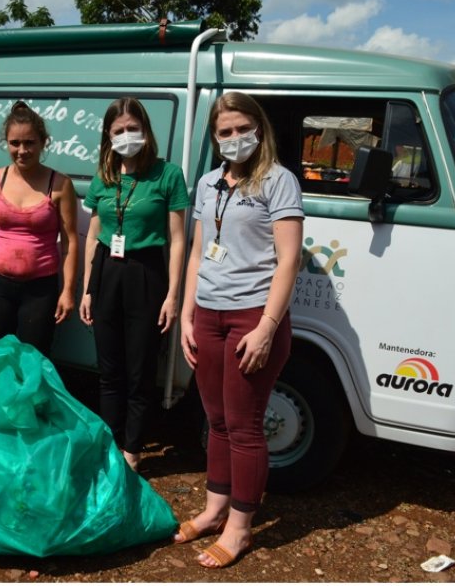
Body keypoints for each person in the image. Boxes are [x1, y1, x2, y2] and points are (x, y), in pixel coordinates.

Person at [176, 92, 303, 568]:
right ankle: (214, 509)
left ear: (259, 128)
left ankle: (241, 527)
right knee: (217, 421)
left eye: (241, 129)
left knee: (246, 426)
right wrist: (188, 316)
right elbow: (196, 252)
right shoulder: (209, 183)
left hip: (253, 317)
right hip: (208, 315)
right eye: (224, 131)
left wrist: (268, 327)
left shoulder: (278, 180)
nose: (233, 138)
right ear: (214, 137)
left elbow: (289, 258)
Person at [78, 97, 188, 472]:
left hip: (146, 275)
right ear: (108, 137)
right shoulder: (104, 178)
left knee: (140, 373)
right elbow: (94, 234)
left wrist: (173, 295)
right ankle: (111, 447)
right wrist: (87, 288)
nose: (126, 136)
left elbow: (177, 240)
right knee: (109, 372)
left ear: (146, 131)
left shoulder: (168, 174)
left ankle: (133, 452)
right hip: (107, 271)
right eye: (118, 130)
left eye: (132, 129)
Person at [0, 101, 79, 357]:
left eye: (29, 143)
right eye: (14, 143)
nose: (22, 150)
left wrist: (68, 292)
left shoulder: (60, 184)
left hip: (40, 289)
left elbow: (70, 243)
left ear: (43, 143)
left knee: (33, 359)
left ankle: (29, 399)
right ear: (6, 143)